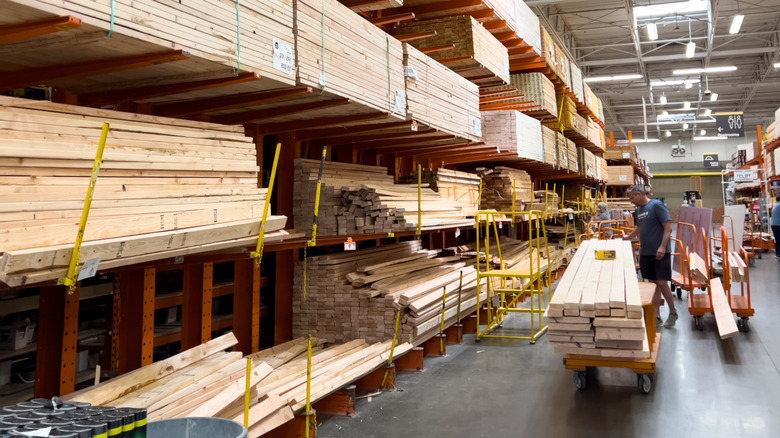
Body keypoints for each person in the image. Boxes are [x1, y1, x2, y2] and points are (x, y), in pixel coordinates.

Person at [622, 184, 678, 328]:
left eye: (632, 197)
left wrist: (662, 246)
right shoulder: (639, 209)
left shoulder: (656, 205)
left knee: (661, 283)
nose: (631, 201)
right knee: (653, 284)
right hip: (646, 251)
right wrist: (629, 237)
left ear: (639, 195)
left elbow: (667, 227)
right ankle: (657, 315)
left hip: (659, 251)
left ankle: (673, 312)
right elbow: (639, 228)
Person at [772, 194, 780, 261]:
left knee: (778, 240)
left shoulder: (776, 205)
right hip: (777, 225)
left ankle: (778, 254)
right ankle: (778, 254)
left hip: (774, 225)